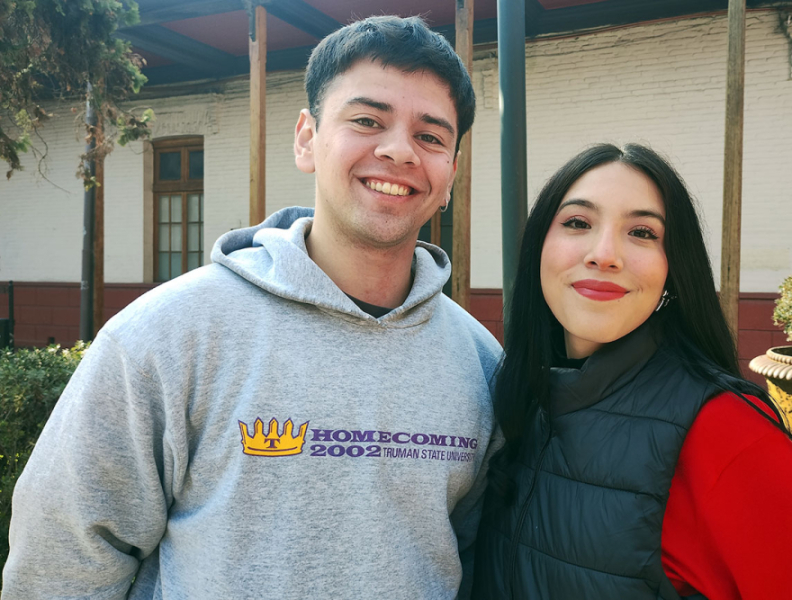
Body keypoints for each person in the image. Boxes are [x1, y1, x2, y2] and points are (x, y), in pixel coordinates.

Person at [3, 16, 501, 599]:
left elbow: (475, 557)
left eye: (431, 136)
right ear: (306, 139)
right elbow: (62, 559)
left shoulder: (481, 362)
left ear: (451, 172)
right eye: (367, 120)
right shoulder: (166, 335)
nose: (398, 150)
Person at [472, 143, 792, 599]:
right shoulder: (515, 395)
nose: (605, 254)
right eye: (578, 223)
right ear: (538, 247)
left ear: (673, 267)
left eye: (642, 232)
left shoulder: (726, 430)